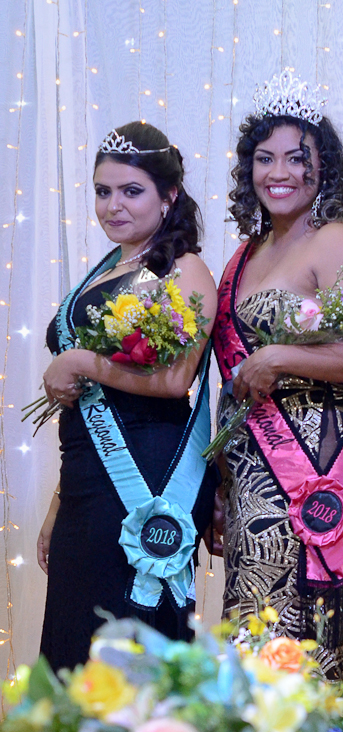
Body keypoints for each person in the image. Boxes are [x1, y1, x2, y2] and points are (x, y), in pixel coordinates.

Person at [211, 70, 343, 732]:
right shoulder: (243, 255)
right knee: (255, 618)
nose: (279, 172)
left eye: (298, 157)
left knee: (309, 621)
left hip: (325, 463)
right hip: (254, 463)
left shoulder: (337, 240)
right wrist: (221, 482)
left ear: (324, 167)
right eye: (265, 158)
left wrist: (280, 357)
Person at [38, 122, 218, 671]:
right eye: (102, 191)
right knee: (76, 641)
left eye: (131, 191)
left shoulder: (185, 269)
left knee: (125, 642)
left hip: (145, 476)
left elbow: (175, 379)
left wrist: (78, 361)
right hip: (86, 477)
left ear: (168, 196)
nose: (112, 206)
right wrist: (59, 504)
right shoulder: (108, 267)